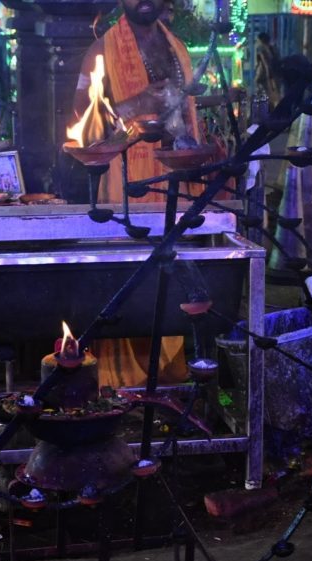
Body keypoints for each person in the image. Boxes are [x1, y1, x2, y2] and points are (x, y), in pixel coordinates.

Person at [73, 0, 195, 388]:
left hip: (178, 190)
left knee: (177, 288)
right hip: (128, 194)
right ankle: (121, 389)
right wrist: (135, 105)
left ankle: (169, 384)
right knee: (133, 289)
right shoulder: (101, 51)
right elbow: (81, 134)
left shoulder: (178, 48)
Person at [254, 32, 281, 106]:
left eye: (257, 40)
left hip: (265, 74)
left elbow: (265, 63)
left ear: (261, 41)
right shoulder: (273, 48)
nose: (256, 42)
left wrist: (268, 74)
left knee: (265, 93)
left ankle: (267, 107)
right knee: (275, 93)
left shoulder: (261, 49)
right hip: (276, 73)